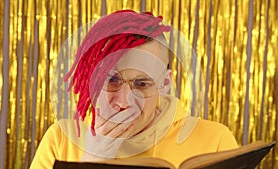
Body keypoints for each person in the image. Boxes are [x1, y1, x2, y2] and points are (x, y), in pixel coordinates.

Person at [30, 10, 238, 168]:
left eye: (142, 84)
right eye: (112, 80)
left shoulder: (216, 141)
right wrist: (91, 161)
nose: (124, 101)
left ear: (165, 83)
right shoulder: (59, 139)